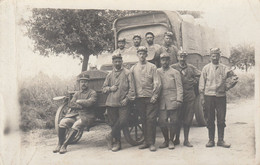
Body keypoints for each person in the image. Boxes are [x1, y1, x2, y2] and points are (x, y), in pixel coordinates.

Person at [199, 48, 238, 148]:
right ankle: (211, 140)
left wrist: (226, 87)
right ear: (210, 56)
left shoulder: (225, 68)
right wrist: (202, 97)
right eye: (213, 55)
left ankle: (220, 140)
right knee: (210, 119)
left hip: (221, 97)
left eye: (216, 55)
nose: (215, 57)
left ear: (219, 56)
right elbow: (201, 84)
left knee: (221, 119)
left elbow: (234, 78)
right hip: (209, 96)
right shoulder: (206, 68)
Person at [53, 74, 97, 154]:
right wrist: (81, 106)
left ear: (88, 83)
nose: (83, 84)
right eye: (82, 82)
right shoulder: (77, 93)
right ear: (79, 83)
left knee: (76, 124)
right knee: (62, 122)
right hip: (76, 115)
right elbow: (71, 104)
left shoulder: (92, 93)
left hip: (88, 116)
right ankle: (59, 144)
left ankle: (65, 145)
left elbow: (90, 103)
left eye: (85, 82)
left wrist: (79, 102)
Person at [130, 46, 161, 151]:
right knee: (143, 120)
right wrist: (133, 96)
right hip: (139, 98)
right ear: (137, 55)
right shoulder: (133, 68)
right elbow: (131, 83)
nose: (142, 55)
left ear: (146, 55)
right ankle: (146, 141)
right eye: (140, 53)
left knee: (151, 120)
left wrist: (155, 96)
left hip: (150, 98)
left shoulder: (152, 67)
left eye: (144, 53)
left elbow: (157, 83)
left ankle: (152, 143)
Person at [102, 53, 136, 152]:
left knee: (123, 120)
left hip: (123, 103)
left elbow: (132, 89)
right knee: (113, 123)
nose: (117, 63)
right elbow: (103, 89)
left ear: (122, 62)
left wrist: (127, 99)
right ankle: (117, 143)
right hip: (111, 103)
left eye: (119, 61)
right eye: (115, 61)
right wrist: (110, 88)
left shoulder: (127, 73)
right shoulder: (109, 75)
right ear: (112, 62)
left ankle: (110, 135)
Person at [171, 51, 201, 147]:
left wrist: (195, 81)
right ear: (177, 57)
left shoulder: (191, 68)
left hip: (189, 96)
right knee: (177, 118)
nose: (182, 59)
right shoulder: (173, 67)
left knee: (188, 118)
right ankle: (177, 139)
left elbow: (200, 75)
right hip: (178, 96)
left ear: (186, 58)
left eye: (184, 57)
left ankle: (186, 140)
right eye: (180, 56)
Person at [157, 53, 183, 150]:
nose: (165, 62)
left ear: (169, 61)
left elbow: (179, 87)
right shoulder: (157, 71)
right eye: (163, 60)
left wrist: (179, 99)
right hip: (162, 101)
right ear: (160, 61)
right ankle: (166, 140)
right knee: (162, 121)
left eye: (166, 60)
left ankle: (171, 140)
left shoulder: (175, 72)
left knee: (173, 121)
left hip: (173, 99)